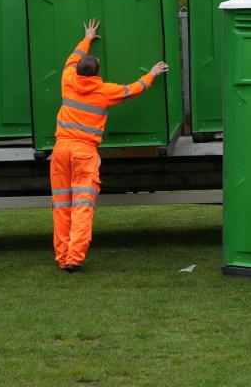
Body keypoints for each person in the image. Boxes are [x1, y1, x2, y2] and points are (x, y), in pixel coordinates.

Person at [50, 19, 168, 273]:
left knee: (61, 206)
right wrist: (152, 74)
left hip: (60, 150)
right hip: (84, 152)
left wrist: (87, 37)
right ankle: (74, 259)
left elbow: (73, 57)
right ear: (97, 71)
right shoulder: (104, 91)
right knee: (82, 206)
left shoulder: (67, 79)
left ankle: (62, 258)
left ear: (78, 70)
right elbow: (133, 89)